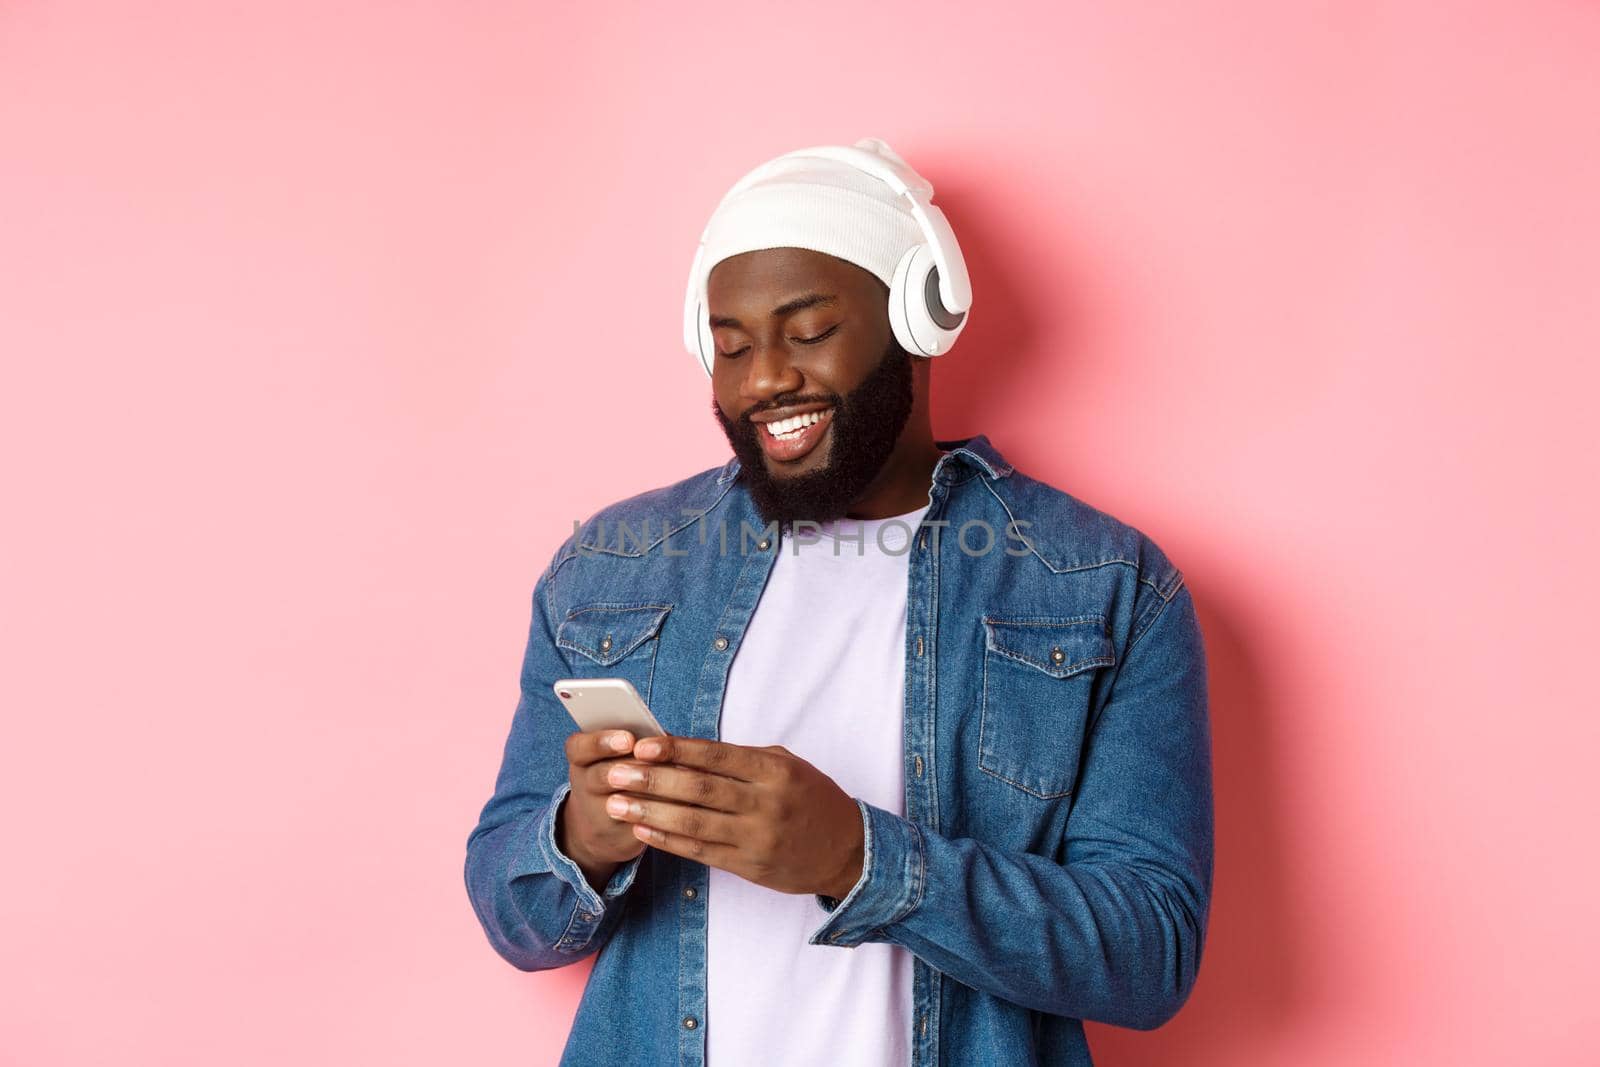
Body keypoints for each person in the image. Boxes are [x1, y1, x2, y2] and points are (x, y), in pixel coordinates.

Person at [463, 137, 1214, 1067]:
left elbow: (1151, 952)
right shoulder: (611, 569)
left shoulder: (1103, 584)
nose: (766, 378)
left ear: (919, 318)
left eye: (809, 331)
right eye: (730, 346)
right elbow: (516, 915)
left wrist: (859, 859)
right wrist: (584, 837)